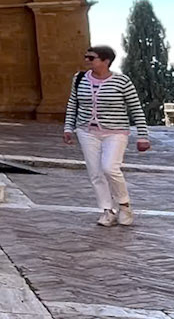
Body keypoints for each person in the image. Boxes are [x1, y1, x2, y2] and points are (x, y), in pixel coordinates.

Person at [63, 44, 150, 226]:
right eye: (86, 57)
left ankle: (124, 205)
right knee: (95, 173)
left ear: (106, 61)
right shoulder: (79, 79)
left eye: (91, 58)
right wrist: (68, 128)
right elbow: (73, 104)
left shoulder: (122, 81)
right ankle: (107, 210)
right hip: (87, 132)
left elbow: (135, 108)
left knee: (110, 168)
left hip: (115, 132)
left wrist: (143, 136)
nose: (86, 60)